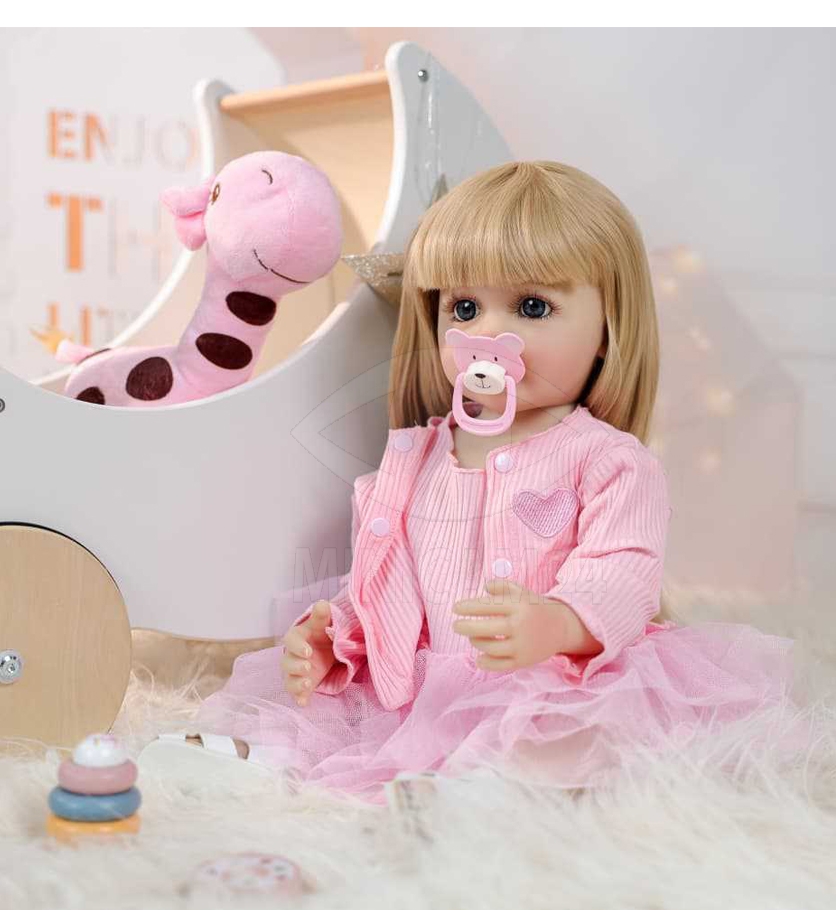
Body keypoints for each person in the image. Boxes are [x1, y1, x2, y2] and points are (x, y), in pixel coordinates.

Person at [179, 161, 795, 801]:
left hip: (550, 680)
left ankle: (479, 790)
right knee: (337, 725)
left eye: (532, 306)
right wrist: (342, 637)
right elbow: (388, 579)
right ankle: (261, 759)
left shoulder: (608, 461)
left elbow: (624, 572)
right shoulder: (415, 456)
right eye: (465, 308)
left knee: (559, 739)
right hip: (420, 685)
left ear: (608, 329)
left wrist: (559, 622)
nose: (487, 335)